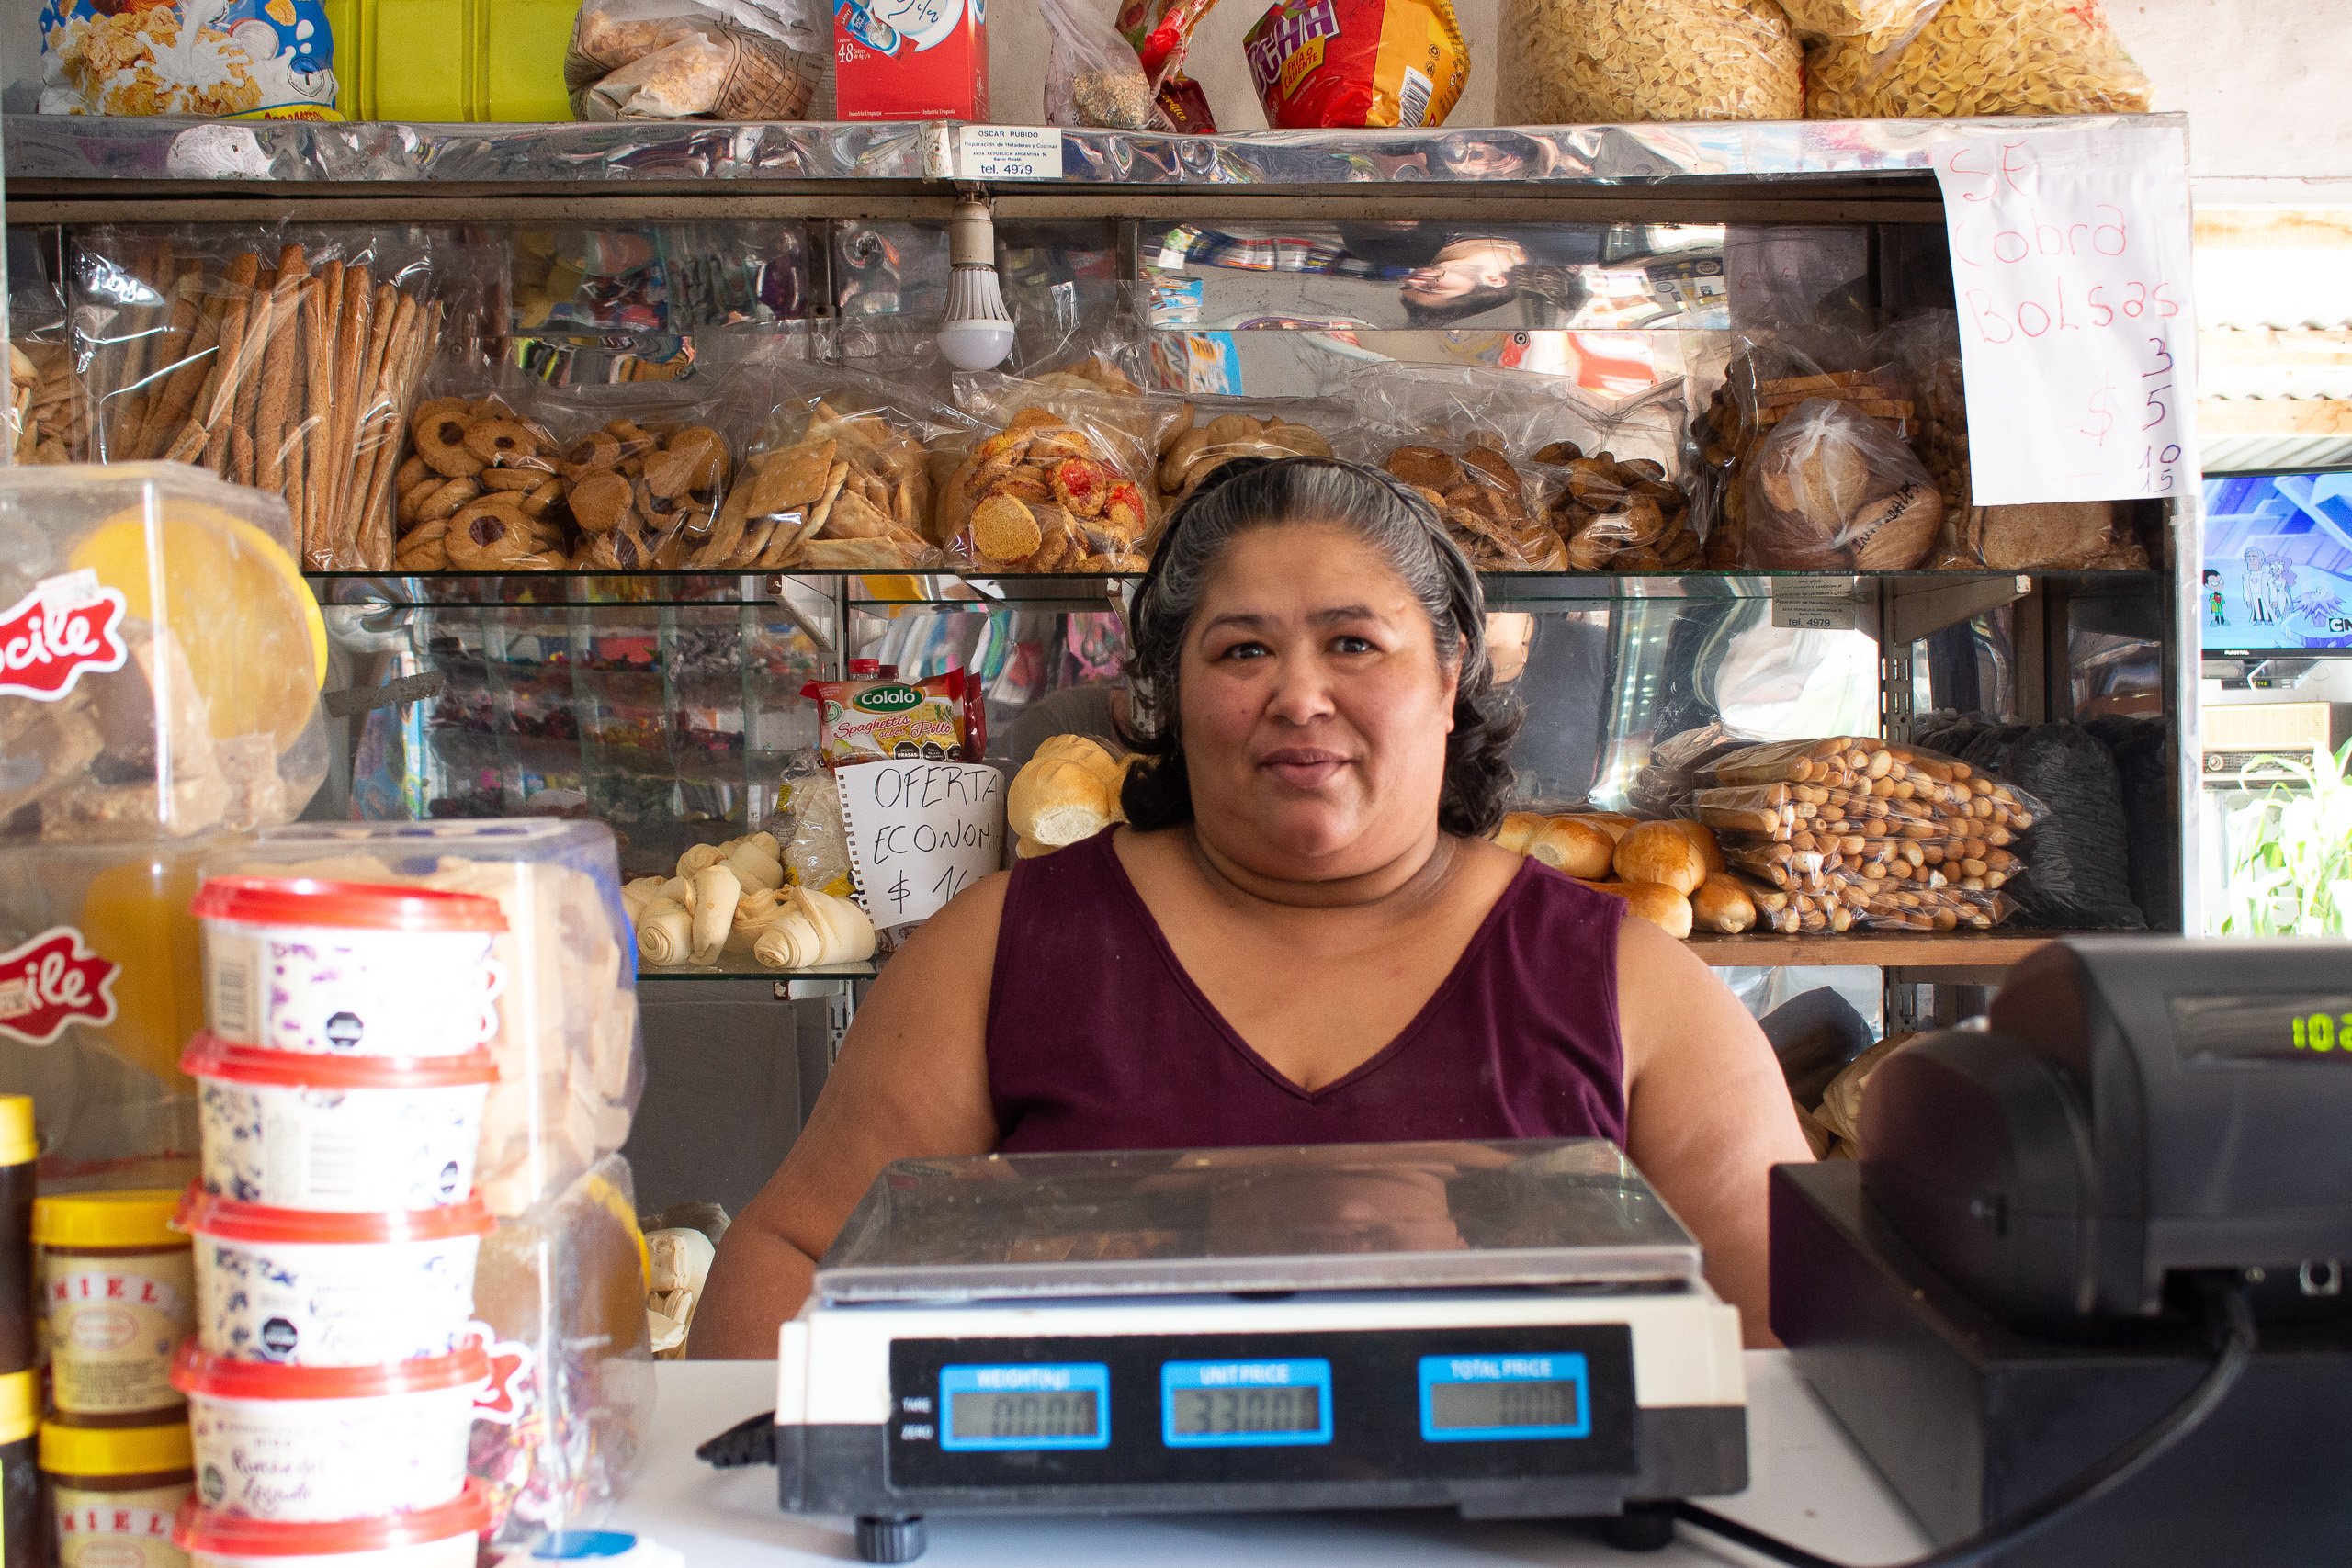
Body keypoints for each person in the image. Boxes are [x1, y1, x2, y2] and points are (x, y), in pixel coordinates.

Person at [691, 457, 1812, 1357]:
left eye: (1354, 643)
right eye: (1241, 651)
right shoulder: (996, 951)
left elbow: (1799, 1341)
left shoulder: (1629, 986)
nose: (1299, 695)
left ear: (1449, 673)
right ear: (1169, 691)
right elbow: (790, 1254)